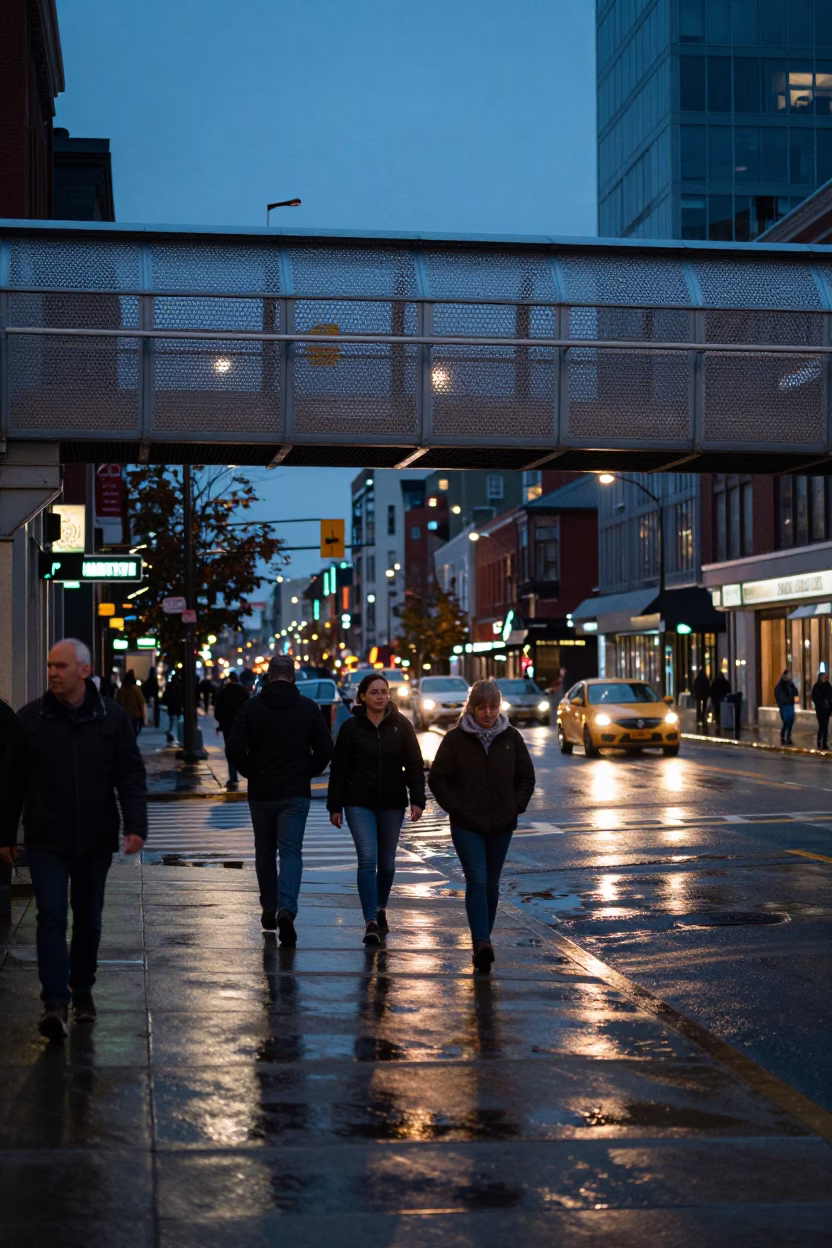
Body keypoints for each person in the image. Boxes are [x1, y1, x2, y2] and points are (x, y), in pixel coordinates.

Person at [0, 639, 147, 1040]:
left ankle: (82, 991)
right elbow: (11, 782)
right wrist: (5, 834)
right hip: (46, 837)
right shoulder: (30, 720)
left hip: (95, 838)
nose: (52, 673)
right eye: (49, 665)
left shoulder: (112, 718)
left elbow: (130, 776)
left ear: (83, 670)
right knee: (50, 917)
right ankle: (54, 1003)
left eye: (60, 666)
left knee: (89, 921)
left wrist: (135, 826)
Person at [429, 679, 535, 973]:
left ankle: (483, 941)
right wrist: (456, 806)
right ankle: (481, 942)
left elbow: (526, 777)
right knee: (476, 879)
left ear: (499, 707)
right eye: (482, 708)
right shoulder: (455, 739)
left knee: (491, 883)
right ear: (472, 708)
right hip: (467, 823)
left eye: (493, 707)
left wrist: (515, 806)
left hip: (501, 822)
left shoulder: (511, 738)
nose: (488, 713)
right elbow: (437, 778)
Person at [225, 655, 333, 945]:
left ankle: (269, 906)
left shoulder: (251, 708)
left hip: (261, 791)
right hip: (295, 791)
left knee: (264, 851)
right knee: (290, 852)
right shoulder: (309, 709)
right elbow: (325, 748)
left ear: (270, 677)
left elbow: (234, 748)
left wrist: (251, 771)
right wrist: (309, 770)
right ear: (293, 677)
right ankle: (287, 909)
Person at [327, 673, 425, 946]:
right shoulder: (351, 728)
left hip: (393, 803)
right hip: (358, 803)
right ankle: (370, 920)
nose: (381, 696)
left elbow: (415, 765)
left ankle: (381, 907)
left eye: (385, 692)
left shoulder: (401, 725)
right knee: (368, 859)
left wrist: (417, 798)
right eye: (375, 692)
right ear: (363, 697)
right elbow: (339, 769)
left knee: (388, 863)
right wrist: (335, 805)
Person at [214, 671, 250, 790]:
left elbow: (217, 711)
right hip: (242, 726)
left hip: (228, 726)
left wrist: (221, 723)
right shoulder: (243, 692)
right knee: (244, 749)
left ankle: (233, 777)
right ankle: (248, 773)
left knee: (230, 750)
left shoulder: (223, 693)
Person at [115, 669, 146, 737]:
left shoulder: (120, 691)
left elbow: (116, 704)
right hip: (134, 715)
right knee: (133, 732)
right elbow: (141, 703)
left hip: (124, 716)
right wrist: (143, 717)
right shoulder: (135, 689)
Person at [774, 668, 799, 745]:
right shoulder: (780, 685)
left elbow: (795, 693)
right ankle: (783, 736)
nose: (789, 676)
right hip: (784, 705)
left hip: (790, 704)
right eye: (788, 675)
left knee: (791, 721)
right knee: (786, 721)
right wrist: (782, 701)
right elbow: (778, 695)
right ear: (784, 676)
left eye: (790, 675)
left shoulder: (791, 684)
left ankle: (788, 737)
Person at [811, 670, 832, 750]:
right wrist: (819, 703)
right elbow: (814, 696)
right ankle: (819, 741)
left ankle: (824, 743)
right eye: (823, 677)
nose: (824, 678)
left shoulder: (828, 685)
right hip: (820, 710)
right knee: (822, 726)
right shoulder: (817, 686)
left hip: (827, 710)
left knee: (825, 727)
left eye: (826, 677)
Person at [162, 670, 183, 744]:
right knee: (175, 719)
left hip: (171, 705)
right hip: (177, 705)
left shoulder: (169, 685)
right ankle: (171, 732)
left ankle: (170, 731)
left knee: (172, 719)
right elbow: (181, 696)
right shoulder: (179, 685)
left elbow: (166, 695)